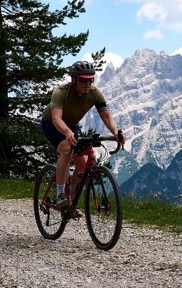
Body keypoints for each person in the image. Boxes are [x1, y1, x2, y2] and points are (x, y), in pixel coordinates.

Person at [41, 60, 125, 209]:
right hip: (52, 124)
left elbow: (106, 116)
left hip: (72, 126)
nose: (87, 83)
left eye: (90, 79)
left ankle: (71, 201)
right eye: (83, 80)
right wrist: (67, 133)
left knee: (83, 160)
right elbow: (56, 118)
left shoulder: (94, 93)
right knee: (67, 149)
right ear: (74, 79)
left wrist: (116, 132)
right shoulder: (61, 92)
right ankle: (60, 195)